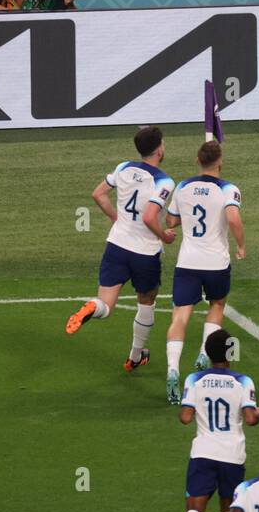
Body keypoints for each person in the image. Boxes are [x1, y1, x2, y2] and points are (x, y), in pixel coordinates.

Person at [65, 126, 177, 369]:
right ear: (159, 149)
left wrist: (118, 219)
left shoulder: (124, 167)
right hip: (145, 253)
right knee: (146, 302)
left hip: (116, 245)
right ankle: (135, 356)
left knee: (106, 305)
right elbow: (149, 218)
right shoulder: (164, 181)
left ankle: (93, 307)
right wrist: (164, 237)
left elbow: (98, 195)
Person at [180, 328, 259, 512]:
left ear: (207, 353)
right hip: (232, 456)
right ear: (230, 352)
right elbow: (250, 419)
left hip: (203, 453)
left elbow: (185, 417)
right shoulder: (243, 381)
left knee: (193, 509)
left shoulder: (194, 379)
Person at [164, 140, 245, 405]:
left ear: (197, 161)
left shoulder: (182, 186)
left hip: (187, 262)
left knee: (180, 314)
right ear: (220, 161)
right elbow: (233, 219)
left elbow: (171, 220)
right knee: (217, 303)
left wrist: (181, 219)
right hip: (216, 263)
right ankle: (202, 352)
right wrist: (241, 245)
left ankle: (173, 369)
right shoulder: (229, 190)